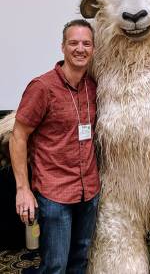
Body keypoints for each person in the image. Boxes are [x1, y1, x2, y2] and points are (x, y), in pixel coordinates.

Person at [9, 19, 100, 274]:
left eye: (86, 43)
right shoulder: (42, 87)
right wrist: (23, 190)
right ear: (62, 47)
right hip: (55, 194)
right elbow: (18, 136)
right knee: (56, 266)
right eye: (73, 43)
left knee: (80, 261)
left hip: (89, 192)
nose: (80, 49)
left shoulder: (93, 87)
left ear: (93, 49)